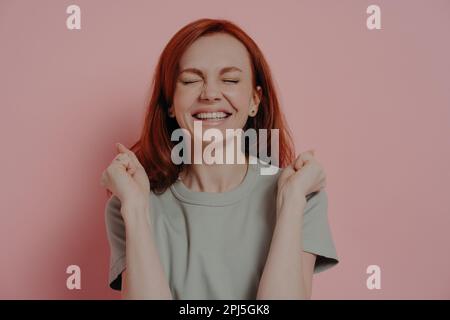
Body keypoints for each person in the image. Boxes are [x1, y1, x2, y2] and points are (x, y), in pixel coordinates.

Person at [100, 18, 339, 300]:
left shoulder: (302, 196)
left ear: (254, 100)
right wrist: (136, 210)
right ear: (170, 105)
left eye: (230, 80)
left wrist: (291, 202)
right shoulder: (130, 204)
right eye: (190, 80)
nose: (210, 94)